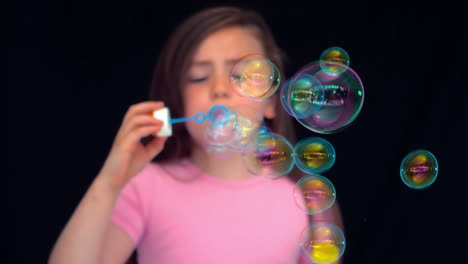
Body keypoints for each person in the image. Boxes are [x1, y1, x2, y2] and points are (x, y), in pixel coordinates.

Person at [48, 6, 343, 264]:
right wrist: (109, 183)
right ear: (178, 101)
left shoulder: (303, 199)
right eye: (199, 77)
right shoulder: (147, 188)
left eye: (242, 76)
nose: (219, 89)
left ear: (270, 101)